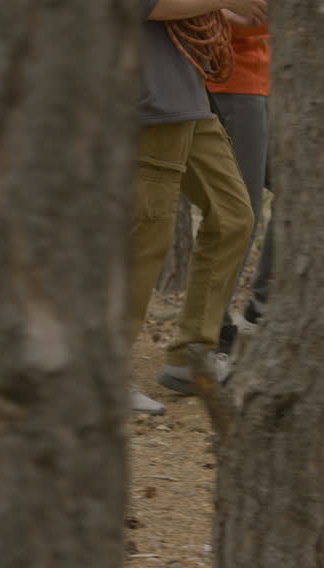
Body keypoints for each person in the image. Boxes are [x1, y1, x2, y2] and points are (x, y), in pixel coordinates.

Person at [130, 0, 267, 416]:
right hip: (147, 97)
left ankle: (191, 354)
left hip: (188, 96)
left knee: (234, 215)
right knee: (146, 235)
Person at [208, 21, 272, 355]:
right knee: (240, 211)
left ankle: (263, 304)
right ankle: (212, 333)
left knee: (307, 191)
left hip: (262, 82)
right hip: (232, 81)